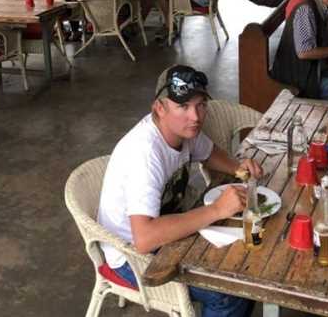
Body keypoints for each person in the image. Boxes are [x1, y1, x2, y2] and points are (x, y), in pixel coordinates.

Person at [97, 65, 260, 317]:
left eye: (200, 104)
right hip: (130, 255)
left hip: (169, 231)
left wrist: (239, 168)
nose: (195, 116)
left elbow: (208, 152)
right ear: (159, 108)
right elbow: (144, 238)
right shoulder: (146, 154)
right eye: (183, 106)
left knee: (245, 265)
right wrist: (216, 209)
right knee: (227, 292)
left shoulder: (183, 131)